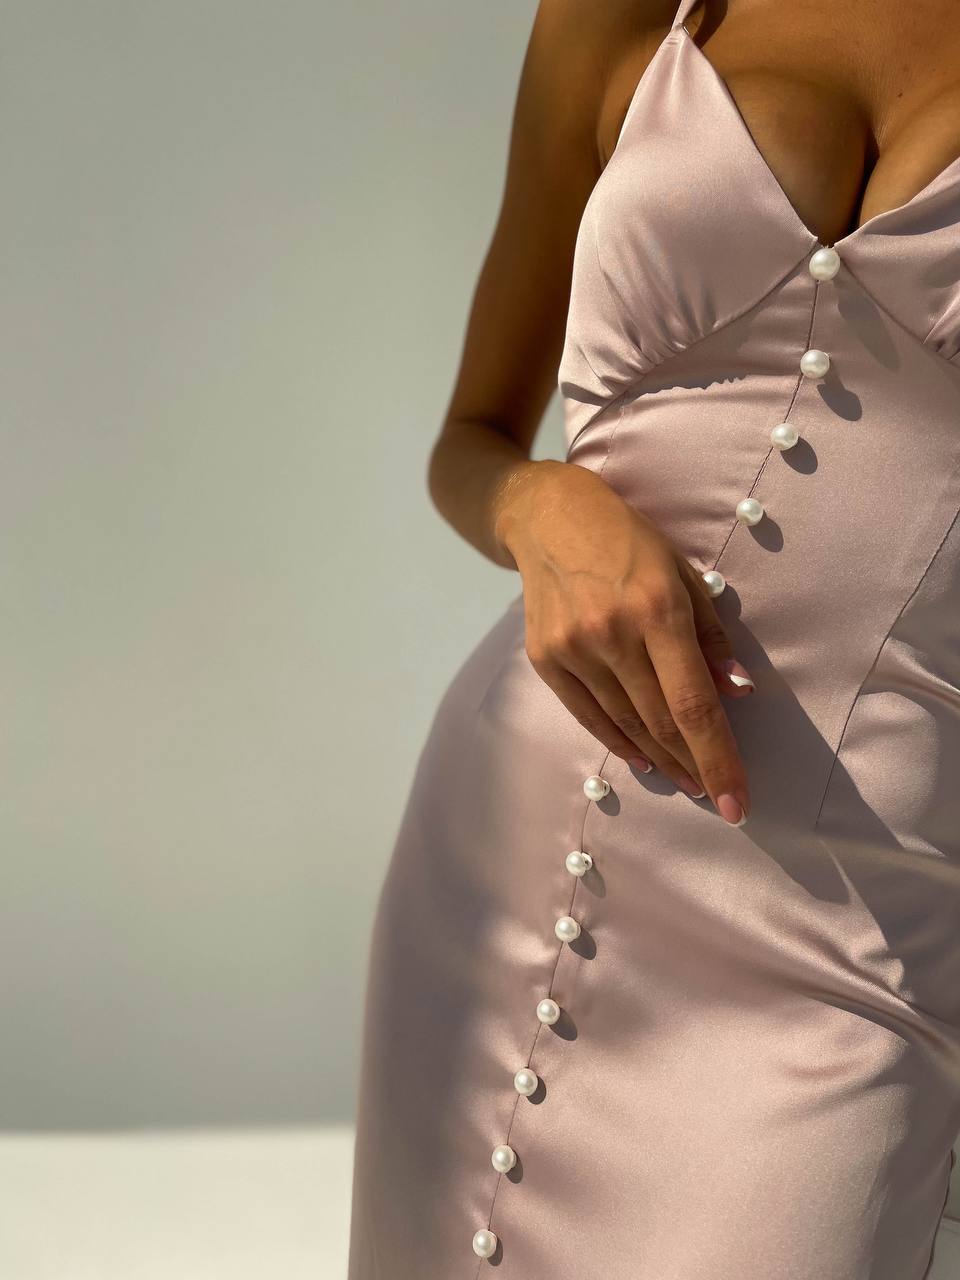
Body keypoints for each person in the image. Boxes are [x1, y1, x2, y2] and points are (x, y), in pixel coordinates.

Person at [347, 0, 960, 1274]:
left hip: (865, 925)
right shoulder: (627, 10)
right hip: (513, 848)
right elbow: (471, 440)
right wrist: (542, 500)